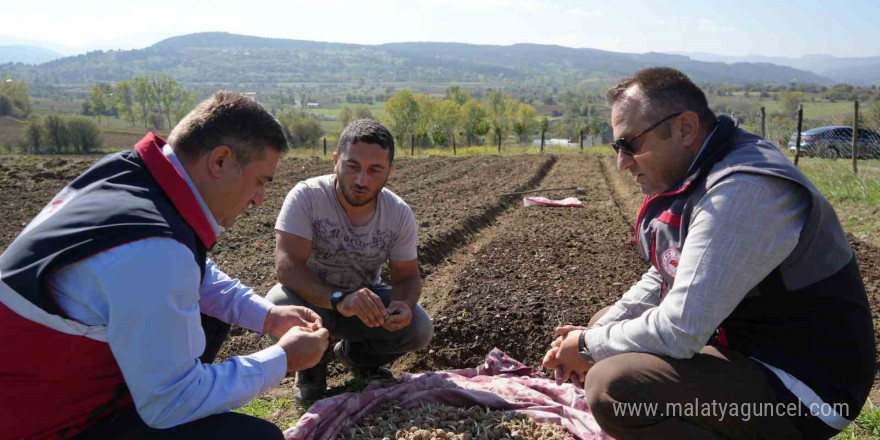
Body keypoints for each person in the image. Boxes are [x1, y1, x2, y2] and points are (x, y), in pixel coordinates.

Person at [543, 67, 874, 440]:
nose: (622, 161)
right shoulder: (703, 169)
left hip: (806, 392)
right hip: (753, 354)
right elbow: (665, 273)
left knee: (614, 386)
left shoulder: (743, 191)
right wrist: (597, 333)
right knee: (607, 323)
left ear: (684, 128)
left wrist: (587, 347)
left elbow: (681, 330)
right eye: (617, 146)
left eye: (631, 144)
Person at [0, 92, 330, 440]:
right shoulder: (154, 250)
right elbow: (171, 400)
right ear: (219, 161)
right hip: (39, 426)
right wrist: (283, 359)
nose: (259, 198)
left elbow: (195, 274)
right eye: (261, 180)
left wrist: (268, 316)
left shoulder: (133, 177)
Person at [266, 119, 433, 402]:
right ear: (335, 160)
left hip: (365, 308)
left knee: (418, 327)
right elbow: (288, 265)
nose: (361, 180)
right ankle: (311, 368)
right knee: (278, 304)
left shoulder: (399, 214)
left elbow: (407, 276)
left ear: (390, 171)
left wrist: (402, 305)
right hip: (313, 299)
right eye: (352, 166)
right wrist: (339, 299)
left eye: (375, 170)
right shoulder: (307, 197)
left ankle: (358, 359)